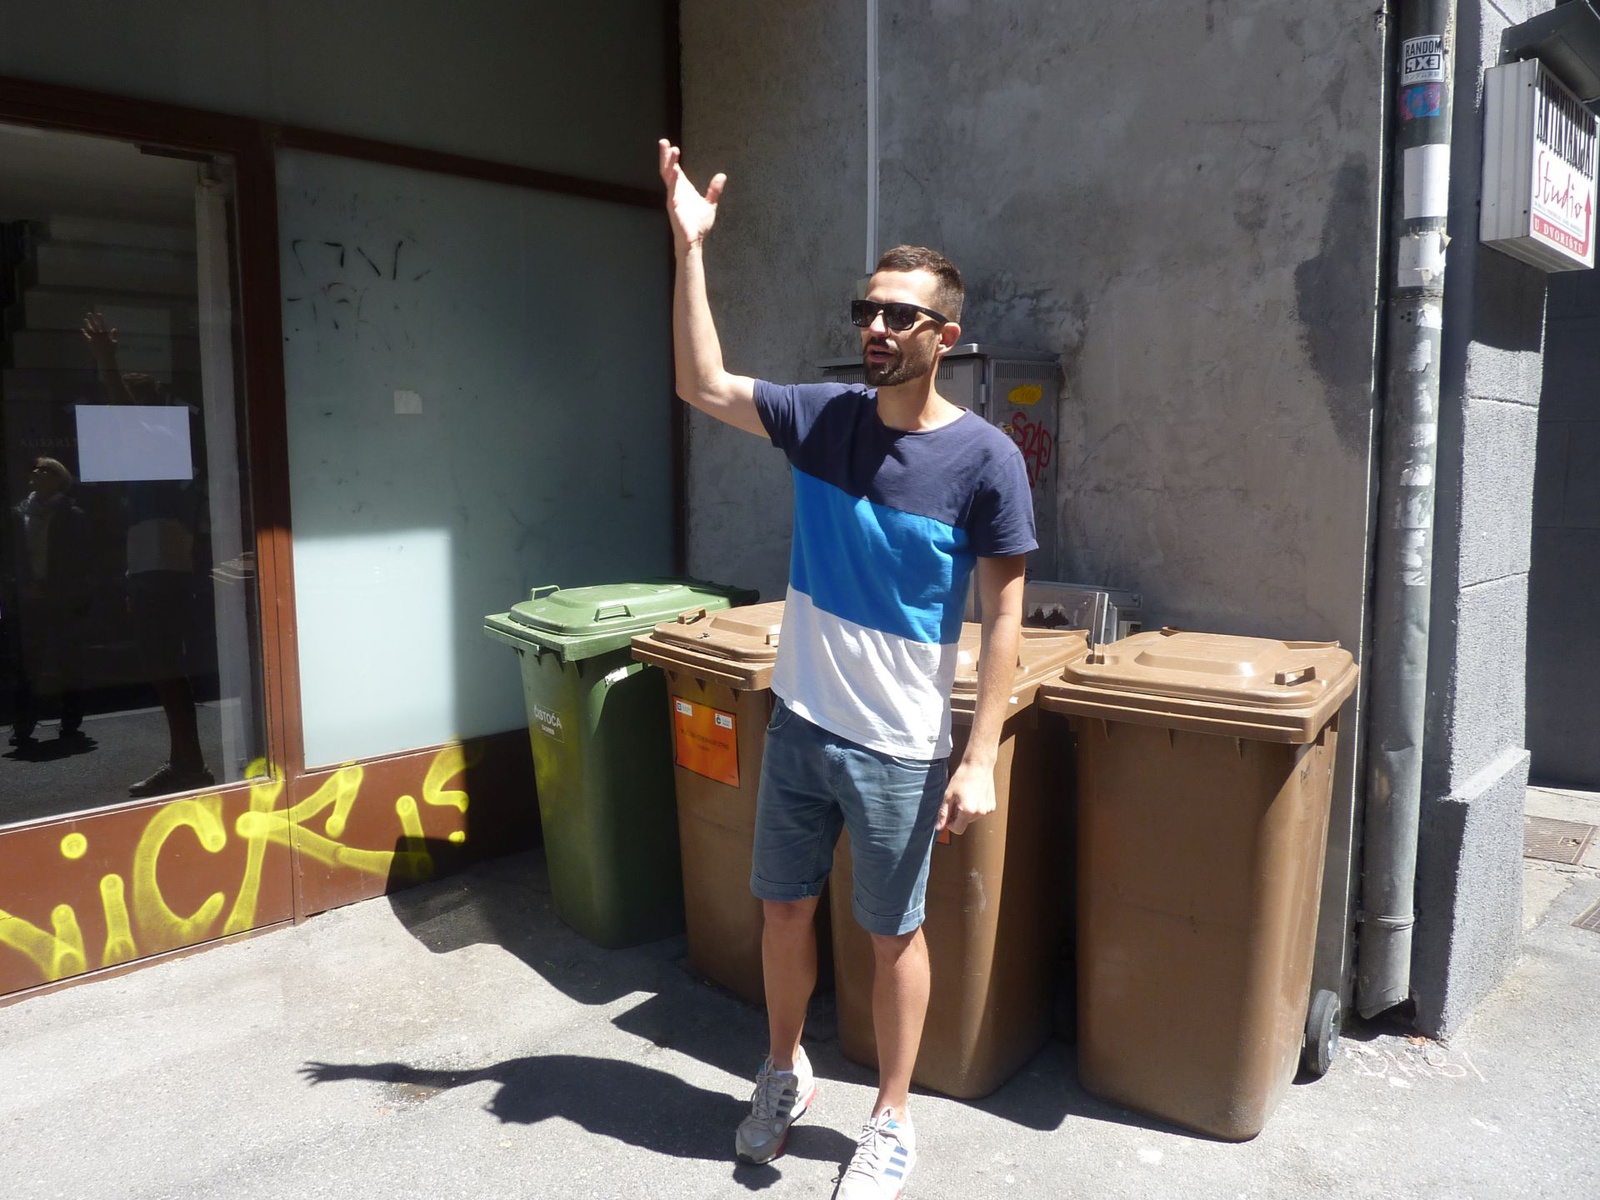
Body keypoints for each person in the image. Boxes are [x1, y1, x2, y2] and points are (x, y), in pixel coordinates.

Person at [659, 140, 1035, 1199]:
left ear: (944, 337)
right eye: (867, 309)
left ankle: (893, 1117)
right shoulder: (821, 420)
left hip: (900, 749)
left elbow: (1004, 614)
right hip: (800, 724)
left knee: (892, 935)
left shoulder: (986, 460)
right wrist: (690, 248)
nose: (874, 327)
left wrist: (979, 755)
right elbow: (700, 382)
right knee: (781, 911)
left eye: (898, 316)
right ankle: (783, 1071)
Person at [82, 312, 213, 797]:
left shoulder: (158, 442)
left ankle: (189, 764)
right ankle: (187, 762)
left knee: (166, 670)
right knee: (164, 671)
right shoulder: (153, 452)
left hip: (163, 571)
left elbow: (124, 416)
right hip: (154, 569)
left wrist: (106, 362)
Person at [6, 457, 93, 747]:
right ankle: (22, 725)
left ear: (59, 479)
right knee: (27, 664)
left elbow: (79, 559)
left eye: (46, 470)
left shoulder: (72, 514)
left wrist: (57, 588)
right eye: (36, 469)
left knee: (68, 661)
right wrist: (22, 585)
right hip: (28, 597)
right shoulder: (19, 514)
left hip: (62, 598)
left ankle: (70, 721)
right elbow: (12, 555)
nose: (38, 473)